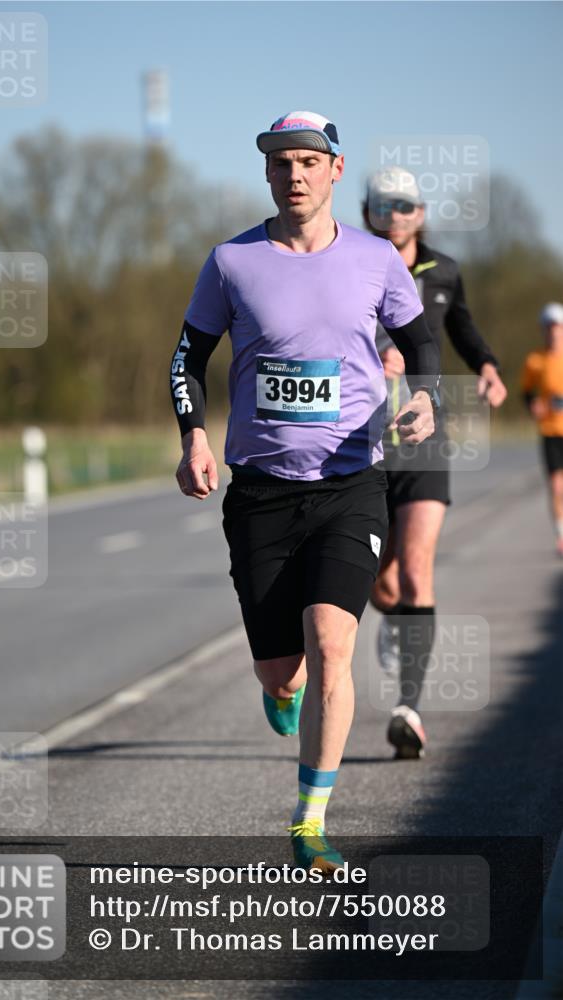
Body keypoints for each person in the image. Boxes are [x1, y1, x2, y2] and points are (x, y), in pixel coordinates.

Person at [170, 112, 439, 871]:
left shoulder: (374, 259)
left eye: (308, 162)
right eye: (281, 162)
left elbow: (420, 343)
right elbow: (187, 358)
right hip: (260, 492)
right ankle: (281, 691)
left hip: (350, 484)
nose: (294, 174)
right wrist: (193, 436)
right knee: (281, 670)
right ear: (266, 172)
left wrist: (425, 398)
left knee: (331, 645)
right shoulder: (231, 262)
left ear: (335, 170)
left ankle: (309, 821)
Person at [363, 167, 507, 759]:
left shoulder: (444, 271)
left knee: (417, 572)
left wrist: (488, 365)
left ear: (420, 214)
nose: (394, 215)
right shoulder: (349, 264)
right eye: (382, 206)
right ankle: (396, 620)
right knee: (381, 582)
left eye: (404, 206)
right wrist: (376, 361)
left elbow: (461, 326)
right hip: (364, 441)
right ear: (368, 212)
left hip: (423, 438)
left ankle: (409, 708)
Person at [521, 302, 563, 557]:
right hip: (549, 430)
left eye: (557, 328)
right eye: (549, 328)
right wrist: (532, 404)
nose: (553, 333)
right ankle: (561, 535)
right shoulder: (535, 360)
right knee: (557, 486)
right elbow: (526, 392)